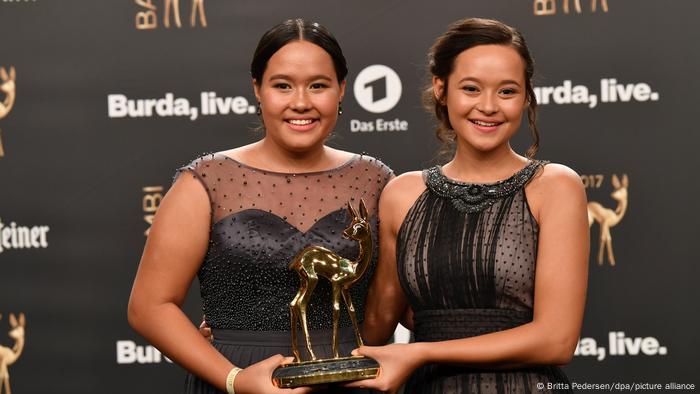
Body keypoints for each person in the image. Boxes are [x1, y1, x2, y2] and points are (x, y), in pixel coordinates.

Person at [128, 19, 393, 394]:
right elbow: (149, 307)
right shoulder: (206, 180)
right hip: (237, 377)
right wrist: (235, 379)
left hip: (347, 379)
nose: (301, 102)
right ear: (257, 89)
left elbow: (392, 304)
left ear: (341, 90)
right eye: (282, 85)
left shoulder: (376, 180)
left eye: (318, 85)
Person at [353, 18, 589, 394]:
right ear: (441, 89)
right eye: (471, 88)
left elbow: (556, 341)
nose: (489, 106)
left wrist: (421, 353)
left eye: (507, 91)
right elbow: (377, 324)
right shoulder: (402, 194)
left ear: (526, 96)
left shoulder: (556, 187)